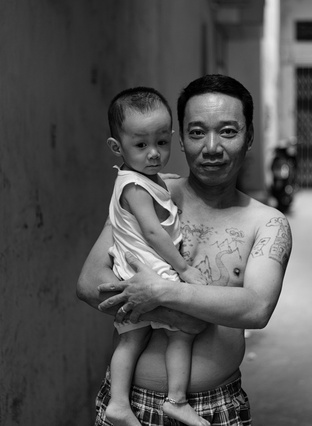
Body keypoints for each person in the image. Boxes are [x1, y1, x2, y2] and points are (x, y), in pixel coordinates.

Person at [77, 74, 292, 426]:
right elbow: (89, 282)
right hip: (129, 405)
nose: (211, 147)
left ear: (249, 136)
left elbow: (257, 307)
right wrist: (176, 316)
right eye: (196, 132)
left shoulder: (267, 223)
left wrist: (164, 292)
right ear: (182, 138)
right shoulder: (150, 195)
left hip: (215, 409)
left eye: (227, 131)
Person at [101, 86, 210, 426]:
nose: (153, 153)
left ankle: (119, 403)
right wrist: (184, 269)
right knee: (184, 330)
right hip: (150, 271)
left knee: (132, 338)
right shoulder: (134, 186)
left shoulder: (150, 180)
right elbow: (151, 232)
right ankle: (175, 400)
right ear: (117, 148)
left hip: (141, 269)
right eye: (141, 144)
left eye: (161, 142)